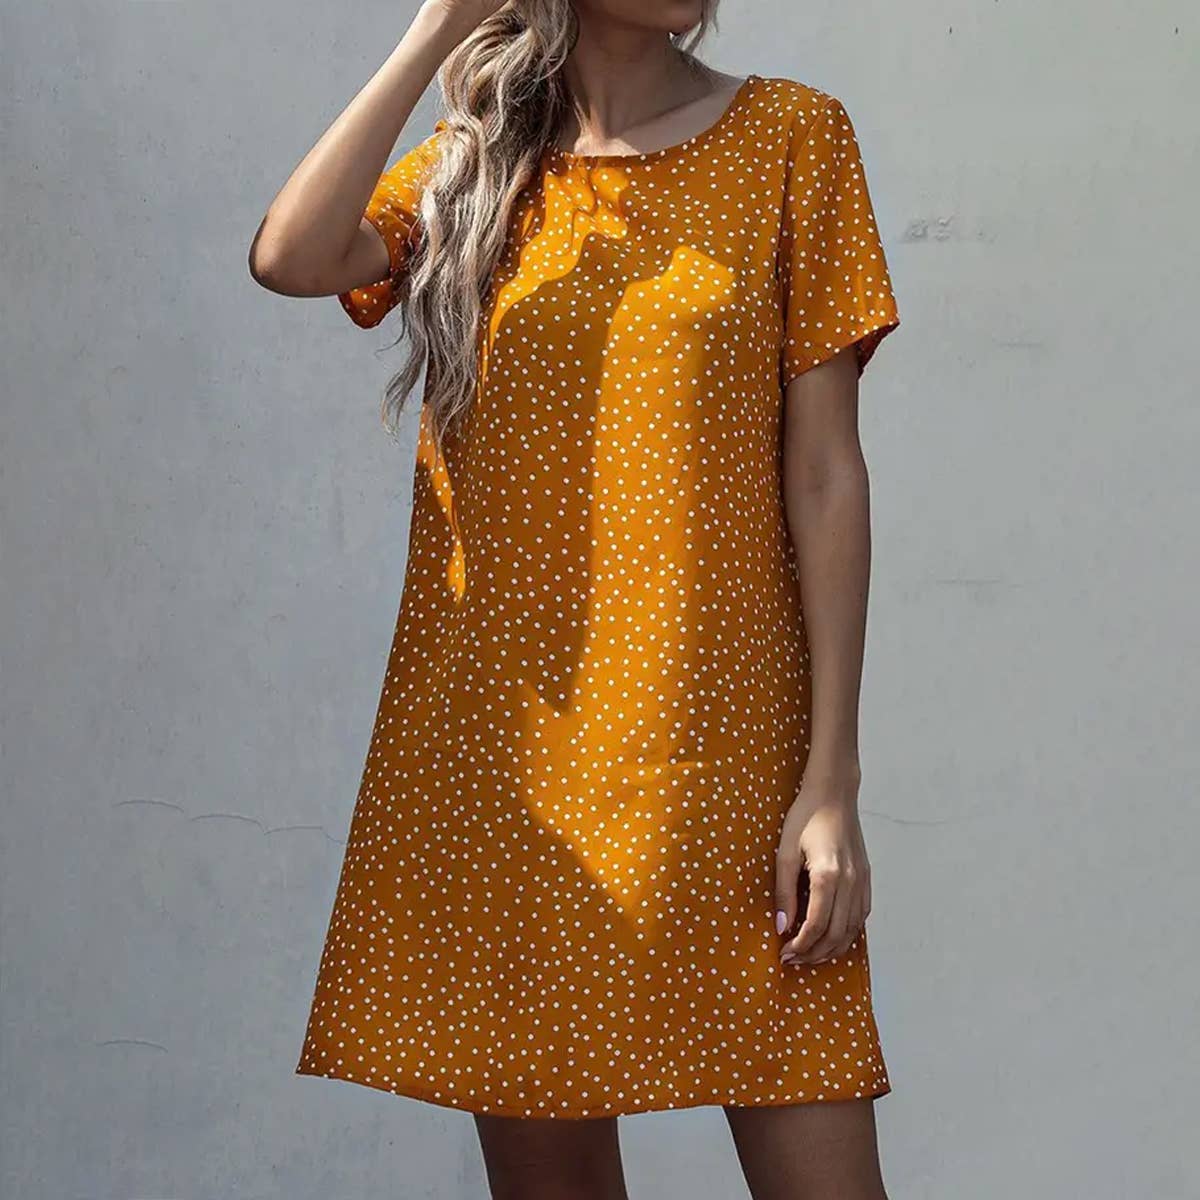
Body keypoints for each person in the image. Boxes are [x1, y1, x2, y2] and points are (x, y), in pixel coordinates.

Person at [249, 0, 901, 1195]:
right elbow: (292, 256)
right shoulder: (471, 169)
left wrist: (832, 781)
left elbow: (825, 474)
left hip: (732, 771)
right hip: (512, 782)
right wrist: (434, 30)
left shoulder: (794, 138)